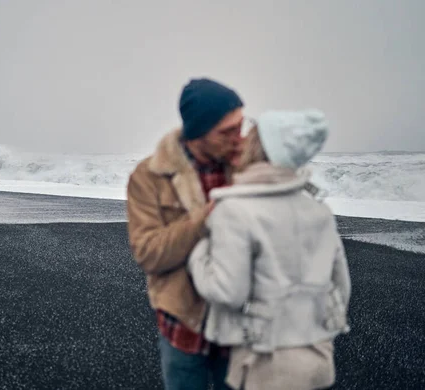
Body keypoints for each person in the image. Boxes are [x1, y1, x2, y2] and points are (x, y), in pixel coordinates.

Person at [187, 110, 351, 390]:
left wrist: (198, 253)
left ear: (259, 147)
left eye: (251, 134)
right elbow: (341, 287)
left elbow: (228, 292)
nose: (242, 139)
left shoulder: (235, 211)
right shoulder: (319, 211)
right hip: (318, 362)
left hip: (265, 367)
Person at [127, 78, 246, 389]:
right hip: (182, 322)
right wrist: (205, 218)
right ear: (198, 133)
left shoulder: (246, 167)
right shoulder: (149, 176)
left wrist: (255, 174)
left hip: (239, 320)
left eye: (241, 126)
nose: (239, 137)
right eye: (227, 131)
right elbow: (148, 253)